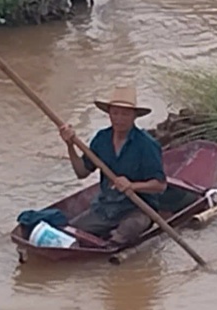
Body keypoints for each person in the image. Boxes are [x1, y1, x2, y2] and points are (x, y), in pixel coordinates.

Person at [58, 84, 167, 246]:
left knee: (125, 232)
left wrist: (132, 185)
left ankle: (112, 242)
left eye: (125, 114)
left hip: (138, 208)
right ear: (109, 114)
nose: (119, 118)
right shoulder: (102, 138)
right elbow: (82, 172)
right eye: (115, 113)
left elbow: (160, 185)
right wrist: (70, 145)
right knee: (71, 233)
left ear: (134, 116)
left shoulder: (146, 145)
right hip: (107, 206)